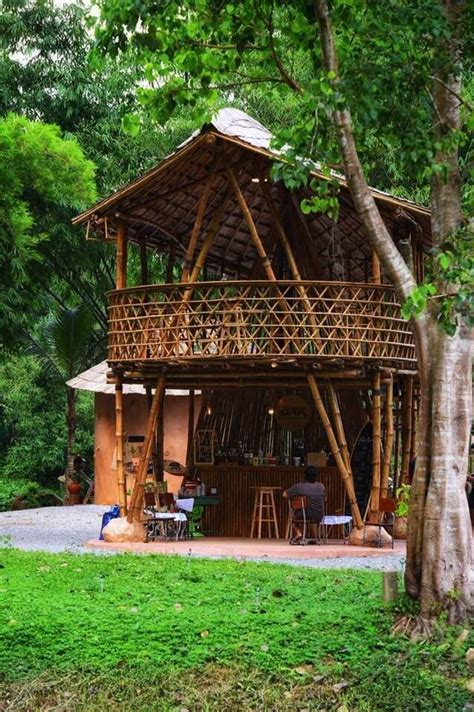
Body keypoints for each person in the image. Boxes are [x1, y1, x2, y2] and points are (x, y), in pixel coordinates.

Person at [283, 466, 325, 543]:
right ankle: (315, 538)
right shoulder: (321, 486)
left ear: (305, 475)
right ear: (316, 476)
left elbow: (284, 494)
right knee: (312, 516)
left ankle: (299, 533)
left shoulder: (299, 486)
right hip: (319, 515)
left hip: (305, 515)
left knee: (292, 515)